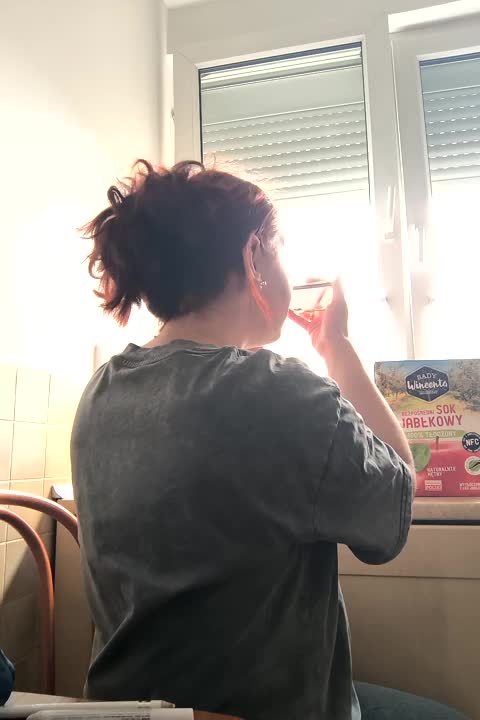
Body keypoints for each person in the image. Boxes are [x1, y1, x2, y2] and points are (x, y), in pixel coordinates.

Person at [71, 160, 467, 720]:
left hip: (129, 713)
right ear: (253, 254)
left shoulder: (100, 392)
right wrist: (337, 347)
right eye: (279, 250)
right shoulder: (280, 391)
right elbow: (394, 509)